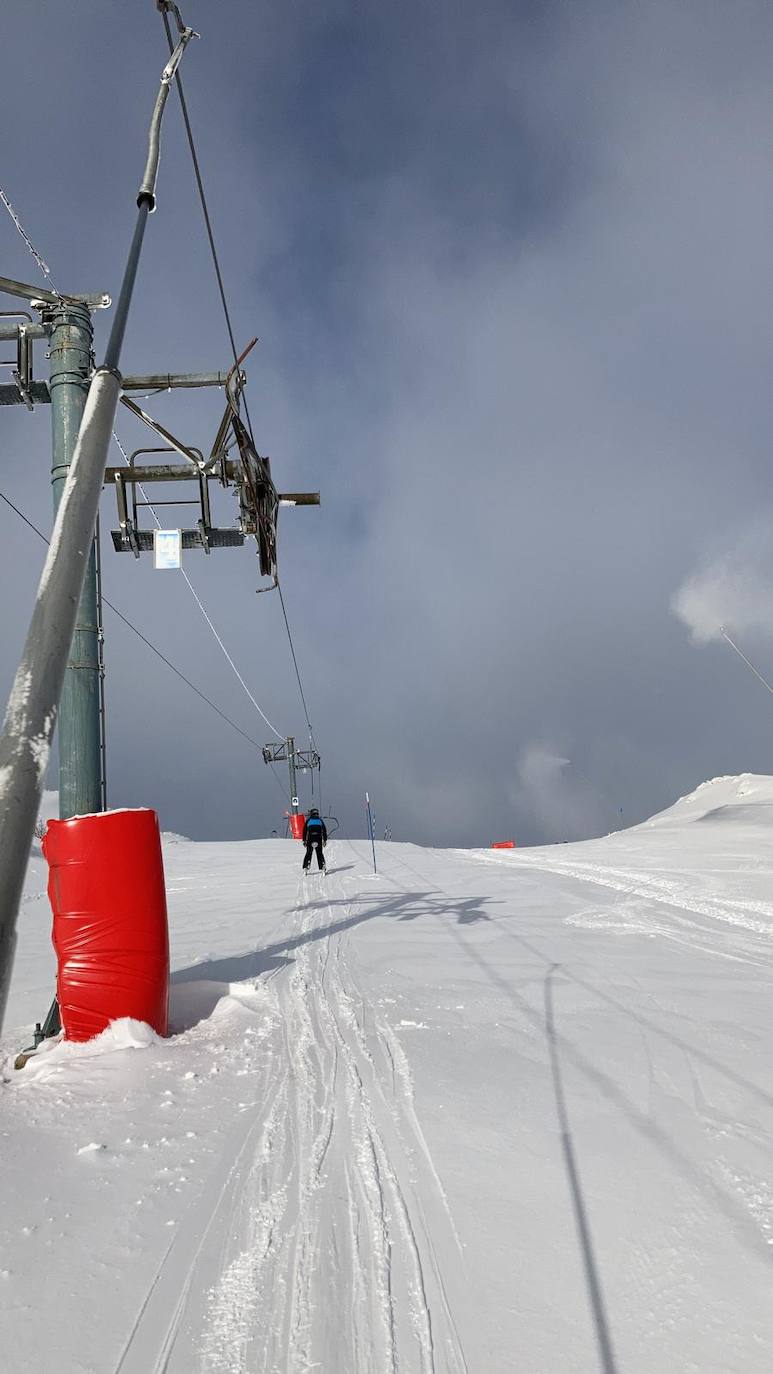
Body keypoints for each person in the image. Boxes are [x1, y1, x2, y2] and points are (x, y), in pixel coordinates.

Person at [302, 807, 327, 872]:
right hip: (318, 838)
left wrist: (304, 840)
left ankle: (306, 866)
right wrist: (325, 840)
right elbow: (324, 831)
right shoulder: (320, 821)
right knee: (319, 853)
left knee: (308, 853)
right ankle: (322, 865)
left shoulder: (308, 821)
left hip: (310, 839)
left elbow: (304, 831)